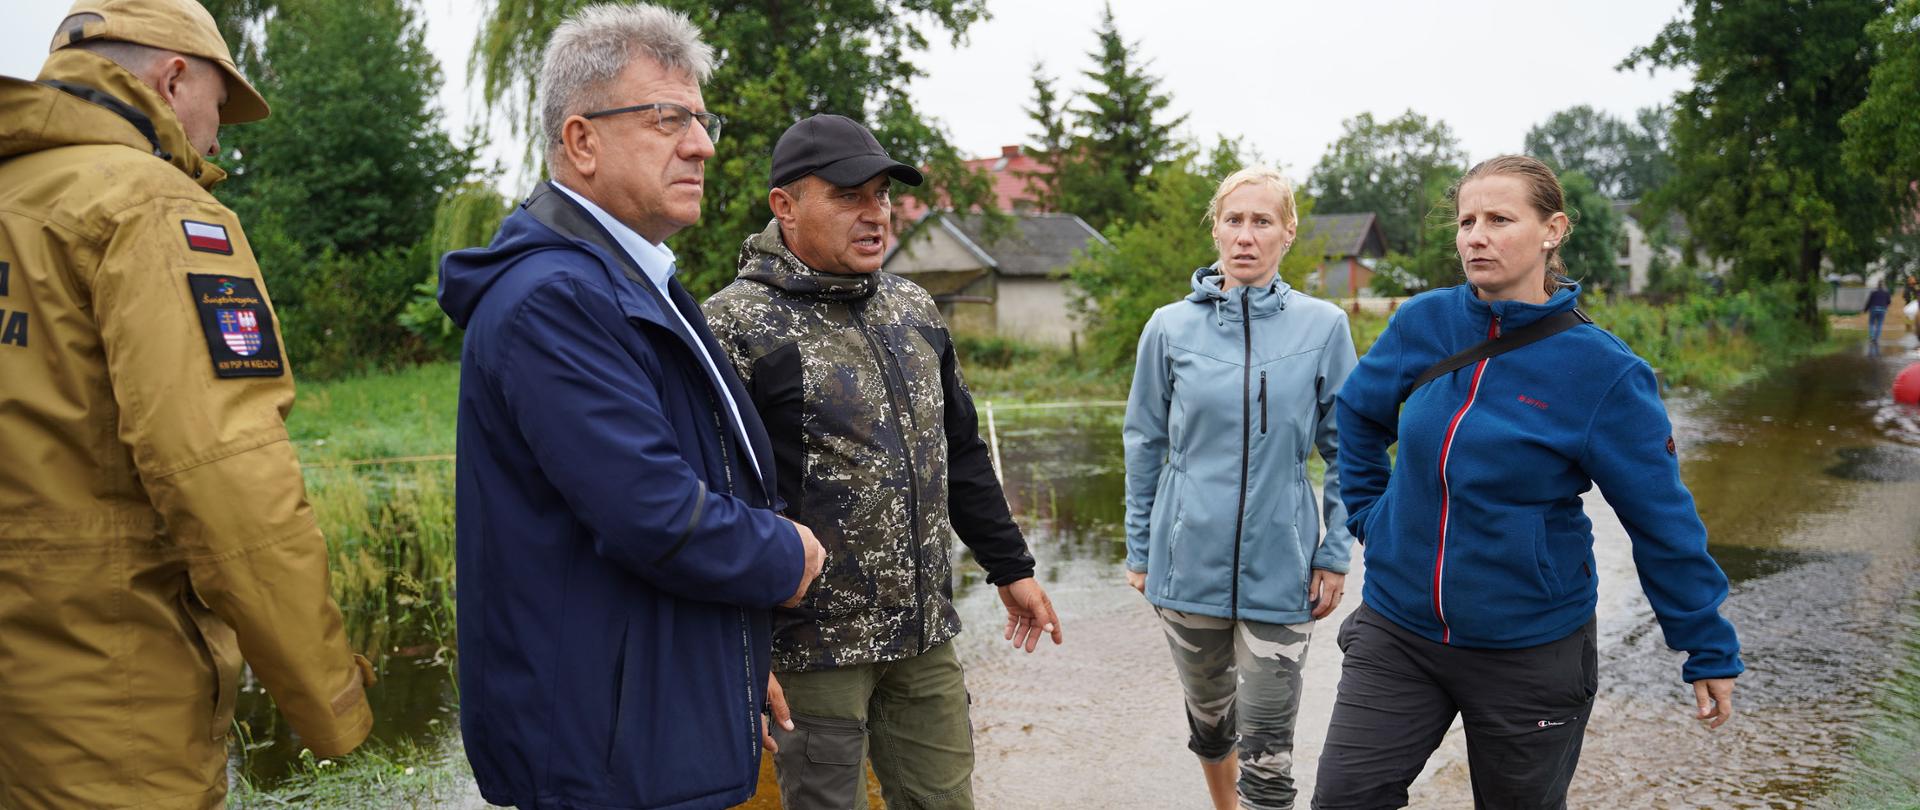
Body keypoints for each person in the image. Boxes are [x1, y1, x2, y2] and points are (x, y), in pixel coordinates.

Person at [435, 6, 824, 808]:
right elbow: (654, 513)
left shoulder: (634, 284)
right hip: (600, 757)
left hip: (645, 725)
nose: (704, 145)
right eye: (668, 119)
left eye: (701, 119)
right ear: (582, 142)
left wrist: (728, 676)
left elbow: (700, 480)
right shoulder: (557, 301)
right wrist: (788, 557)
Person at [0, 0, 377, 806]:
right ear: (174, 80)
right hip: (109, 708)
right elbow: (227, 481)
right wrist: (332, 700)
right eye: (219, 106)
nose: (217, 139)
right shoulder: (151, 207)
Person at [1314, 155, 1743, 809]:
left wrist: (1705, 644)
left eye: (1499, 219)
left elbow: (1661, 520)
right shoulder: (1425, 323)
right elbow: (1357, 414)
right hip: (1400, 630)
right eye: (1466, 221)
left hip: (1530, 649)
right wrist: (1372, 516)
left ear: (1553, 230)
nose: (1476, 236)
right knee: (1345, 798)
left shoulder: (1604, 373)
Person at [702, 113, 1063, 810]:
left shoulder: (913, 308)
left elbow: (960, 449)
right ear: (786, 205)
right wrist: (737, 648)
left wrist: (1011, 567)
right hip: (810, 649)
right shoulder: (735, 326)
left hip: (922, 636)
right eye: (848, 197)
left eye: (881, 197)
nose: (874, 216)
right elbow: (714, 501)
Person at [1121, 165, 1359, 810]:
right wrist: (1141, 550)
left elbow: (1349, 451)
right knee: (1210, 720)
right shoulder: (1169, 328)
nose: (1246, 236)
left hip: (1282, 569)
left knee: (1271, 741)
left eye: (1262, 222)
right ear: (1216, 230)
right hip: (1184, 563)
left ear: (1288, 233)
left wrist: (1334, 553)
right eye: (1234, 220)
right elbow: (1144, 441)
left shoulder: (1324, 327)